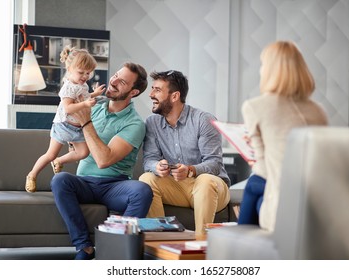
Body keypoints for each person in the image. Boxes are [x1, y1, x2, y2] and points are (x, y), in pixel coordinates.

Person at [51, 62, 153, 260]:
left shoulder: (134, 123)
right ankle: (84, 247)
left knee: (142, 191)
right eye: (115, 75)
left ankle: (115, 250)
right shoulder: (93, 106)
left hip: (114, 186)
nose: (113, 81)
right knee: (60, 180)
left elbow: (104, 160)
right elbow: (68, 126)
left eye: (122, 82)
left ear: (133, 92)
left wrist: (86, 122)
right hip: (84, 183)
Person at [237, 41, 328, 231]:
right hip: (318, 205)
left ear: (270, 70)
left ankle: (239, 242)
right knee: (259, 195)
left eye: (263, 65)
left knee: (254, 183)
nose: (261, 71)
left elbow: (263, 171)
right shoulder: (318, 111)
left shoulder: (255, 107)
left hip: (283, 203)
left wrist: (255, 154)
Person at [139, 70, 231, 235]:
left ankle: (200, 244)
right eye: (152, 89)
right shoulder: (152, 123)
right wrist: (157, 166)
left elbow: (215, 164)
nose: (151, 94)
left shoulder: (203, 120)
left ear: (174, 96)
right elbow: (149, 160)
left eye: (157, 90)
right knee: (146, 179)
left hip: (212, 188)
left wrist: (190, 170)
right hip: (178, 188)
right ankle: (160, 241)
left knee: (205, 180)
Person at [25, 45, 106, 193]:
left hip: (77, 127)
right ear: (69, 69)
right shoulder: (68, 87)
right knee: (50, 154)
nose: (85, 76)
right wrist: (86, 104)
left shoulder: (82, 85)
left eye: (88, 73)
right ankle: (32, 175)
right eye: (81, 72)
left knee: (83, 153)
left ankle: (59, 161)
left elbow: (84, 97)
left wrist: (94, 94)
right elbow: (68, 107)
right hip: (63, 125)